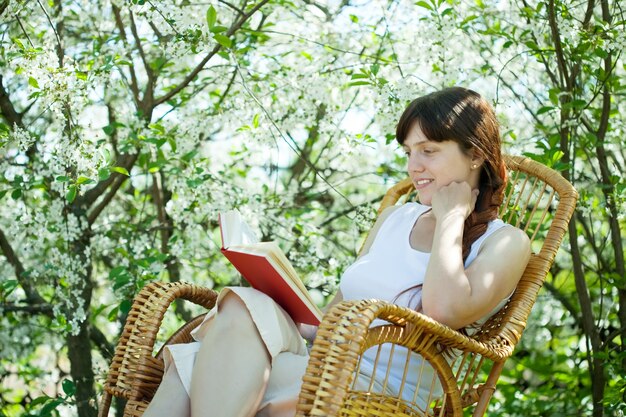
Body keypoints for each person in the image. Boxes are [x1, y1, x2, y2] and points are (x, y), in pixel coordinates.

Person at [142, 86, 531, 417]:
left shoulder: (505, 241)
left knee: (195, 365)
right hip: (325, 360)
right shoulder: (395, 218)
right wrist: (278, 294)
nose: (413, 167)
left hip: (378, 389)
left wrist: (451, 218)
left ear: (476, 154)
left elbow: (445, 311)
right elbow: (332, 315)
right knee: (242, 305)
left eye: (428, 150)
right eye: (408, 151)